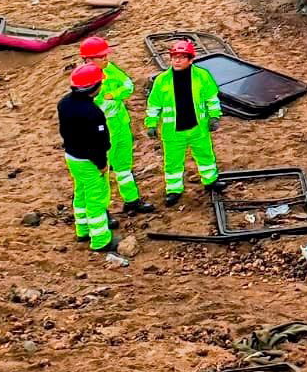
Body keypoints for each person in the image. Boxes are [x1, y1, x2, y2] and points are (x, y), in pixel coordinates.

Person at [80, 36, 154, 214]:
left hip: (120, 124)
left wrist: (114, 95)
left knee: (124, 166)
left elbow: (128, 85)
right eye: (102, 57)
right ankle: (101, 210)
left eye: (106, 56)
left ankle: (132, 200)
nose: (106, 59)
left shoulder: (110, 69)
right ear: (88, 59)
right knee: (100, 172)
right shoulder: (84, 79)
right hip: (102, 132)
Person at [145, 39, 223, 205]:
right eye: (174, 57)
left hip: (198, 128)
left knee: (205, 156)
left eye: (181, 57)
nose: (177, 60)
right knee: (173, 162)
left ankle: (210, 181)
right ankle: (174, 190)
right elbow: (153, 104)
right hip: (173, 132)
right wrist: (151, 123)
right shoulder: (162, 80)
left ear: (190, 59)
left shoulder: (202, 76)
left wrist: (214, 116)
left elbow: (211, 98)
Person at [59, 63, 119, 253]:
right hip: (89, 161)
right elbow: (97, 142)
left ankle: (82, 230)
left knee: (81, 193)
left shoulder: (64, 103)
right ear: (94, 87)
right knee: (96, 199)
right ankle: (101, 239)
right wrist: (101, 163)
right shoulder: (92, 112)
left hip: (72, 157)